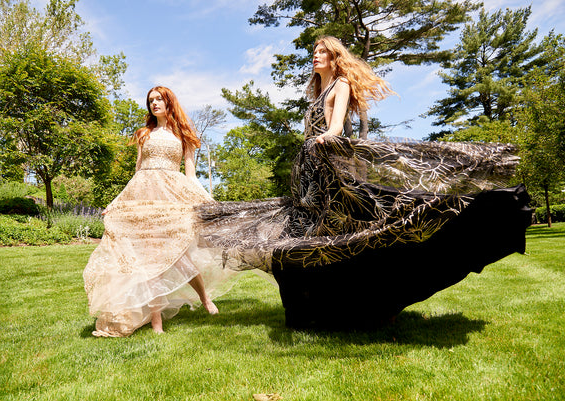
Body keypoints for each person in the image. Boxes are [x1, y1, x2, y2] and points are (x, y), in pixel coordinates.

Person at [193, 36, 531, 329]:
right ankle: (321, 309)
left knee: (352, 235)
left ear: (334, 58)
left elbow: (336, 126)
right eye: (314, 51)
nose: (316, 55)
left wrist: (325, 140)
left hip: (330, 165)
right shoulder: (317, 90)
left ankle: (373, 305)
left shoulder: (339, 85)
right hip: (312, 172)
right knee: (311, 238)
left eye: (322, 52)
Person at [83, 86, 232, 337]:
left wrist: (207, 200)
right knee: (150, 261)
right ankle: (156, 323)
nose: (154, 104)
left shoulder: (184, 135)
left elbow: (191, 175)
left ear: (169, 102)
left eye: (158, 99)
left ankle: (205, 299)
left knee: (181, 259)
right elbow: (137, 174)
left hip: (172, 201)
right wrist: (116, 202)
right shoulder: (144, 134)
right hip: (146, 201)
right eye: (150, 100)